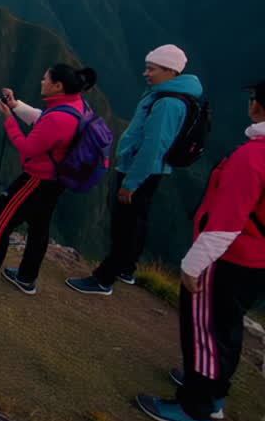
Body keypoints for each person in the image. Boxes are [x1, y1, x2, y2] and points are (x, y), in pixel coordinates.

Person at [136, 80, 265, 421]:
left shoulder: (252, 157)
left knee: (204, 330)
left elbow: (227, 220)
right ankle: (214, 393)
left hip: (225, 257)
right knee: (226, 326)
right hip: (255, 260)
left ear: (257, 106)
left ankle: (195, 408)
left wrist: (194, 264)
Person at [0, 63, 98, 298]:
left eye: (46, 79)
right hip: (56, 181)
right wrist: (16, 106)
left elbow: (28, 147)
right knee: (39, 228)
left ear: (58, 85)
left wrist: (9, 119)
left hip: (36, 180)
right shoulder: (76, 105)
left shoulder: (58, 117)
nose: (42, 82)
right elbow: (44, 121)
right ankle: (27, 278)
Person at [68, 45, 204, 295]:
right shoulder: (168, 96)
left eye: (152, 69)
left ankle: (103, 279)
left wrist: (131, 182)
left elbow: (154, 147)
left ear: (170, 70)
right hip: (148, 171)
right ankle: (126, 269)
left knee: (124, 226)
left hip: (140, 171)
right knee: (136, 222)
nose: (146, 73)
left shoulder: (168, 103)